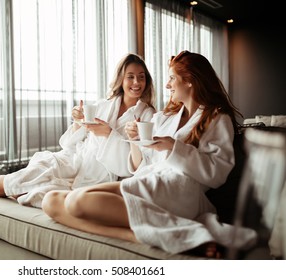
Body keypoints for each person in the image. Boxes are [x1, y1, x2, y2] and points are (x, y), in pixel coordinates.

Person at [41, 51, 257, 256]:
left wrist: (174, 147)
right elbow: (140, 165)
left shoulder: (217, 118)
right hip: (150, 180)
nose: (167, 84)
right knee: (51, 202)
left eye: (172, 78)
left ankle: (178, 233)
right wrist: (135, 139)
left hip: (180, 189)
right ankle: (152, 236)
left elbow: (217, 174)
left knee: (77, 202)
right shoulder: (165, 117)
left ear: (190, 80)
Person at [0, 53, 157, 208]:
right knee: (36, 170)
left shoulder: (148, 115)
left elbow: (136, 167)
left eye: (141, 77)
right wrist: (78, 121)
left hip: (101, 173)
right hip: (74, 159)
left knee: (40, 189)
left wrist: (108, 134)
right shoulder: (102, 104)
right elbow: (69, 143)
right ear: (121, 79)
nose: (136, 82)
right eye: (130, 76)